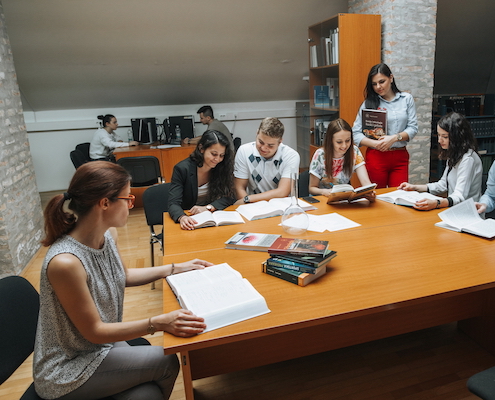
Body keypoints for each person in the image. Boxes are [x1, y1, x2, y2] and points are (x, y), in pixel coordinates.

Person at [34, 161, 212, 400]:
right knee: (167, 361)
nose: (132, 204)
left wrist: (175, 268)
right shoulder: (65, 263)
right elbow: (95, 332)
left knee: (147, 393)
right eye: (127, 198)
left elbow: (123, 276)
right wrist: (158, 322)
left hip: (100, 347)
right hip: (67, 368)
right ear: (104, 203)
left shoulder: (107, 234)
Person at [352, 63, 418, 188]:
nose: (378, 87)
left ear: (391, 78)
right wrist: (376, 144)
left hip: (400, 156)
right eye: (374, 84)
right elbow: (355, 133)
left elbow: (413, 128)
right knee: (376, 197)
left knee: (399, 195)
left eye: (382, 82)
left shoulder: (406, 99)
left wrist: (393, 138)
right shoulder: (368, 103)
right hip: (376, 156)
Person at [399, 112, 482, 210]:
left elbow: (459, 196)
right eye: (439, 135)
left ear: (458, 137)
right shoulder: (455, 153)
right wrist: (414, 187)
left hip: (468, 214)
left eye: (445, 137)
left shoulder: (468, 159)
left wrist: (436, 203)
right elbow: (443, 185)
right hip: (455, 210)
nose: (439, 140)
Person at [168, 130, 236, 230]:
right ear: (201, 149)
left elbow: (230, 196)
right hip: (190, 219)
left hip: (212, 218)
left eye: (221, 155)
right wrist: (182, 217)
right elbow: (173, 203)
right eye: (214, 154)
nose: (217, 159)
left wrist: (208, 207)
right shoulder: (182, 169)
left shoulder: (222, 166)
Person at [233, 117, 300, 204]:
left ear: (280, 142)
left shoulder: (291, 156)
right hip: (252, 206)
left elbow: (282, 192)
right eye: (260, 142)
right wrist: (249, 204)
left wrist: (249, 198)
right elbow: (239, 187)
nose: (264, 148)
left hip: (280, 205)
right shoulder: (244, 151)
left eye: (270, 145)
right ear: (257, 133)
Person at [308, 118, 375, 201]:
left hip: (343, 199)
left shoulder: (354, 151)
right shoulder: (320, 155)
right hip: (322, 199)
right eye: (339, 142)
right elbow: (312, 188)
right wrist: (324, 191)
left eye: (347, 140)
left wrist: (370, 192)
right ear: (330, 141)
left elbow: (365, 181)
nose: (344, 146)